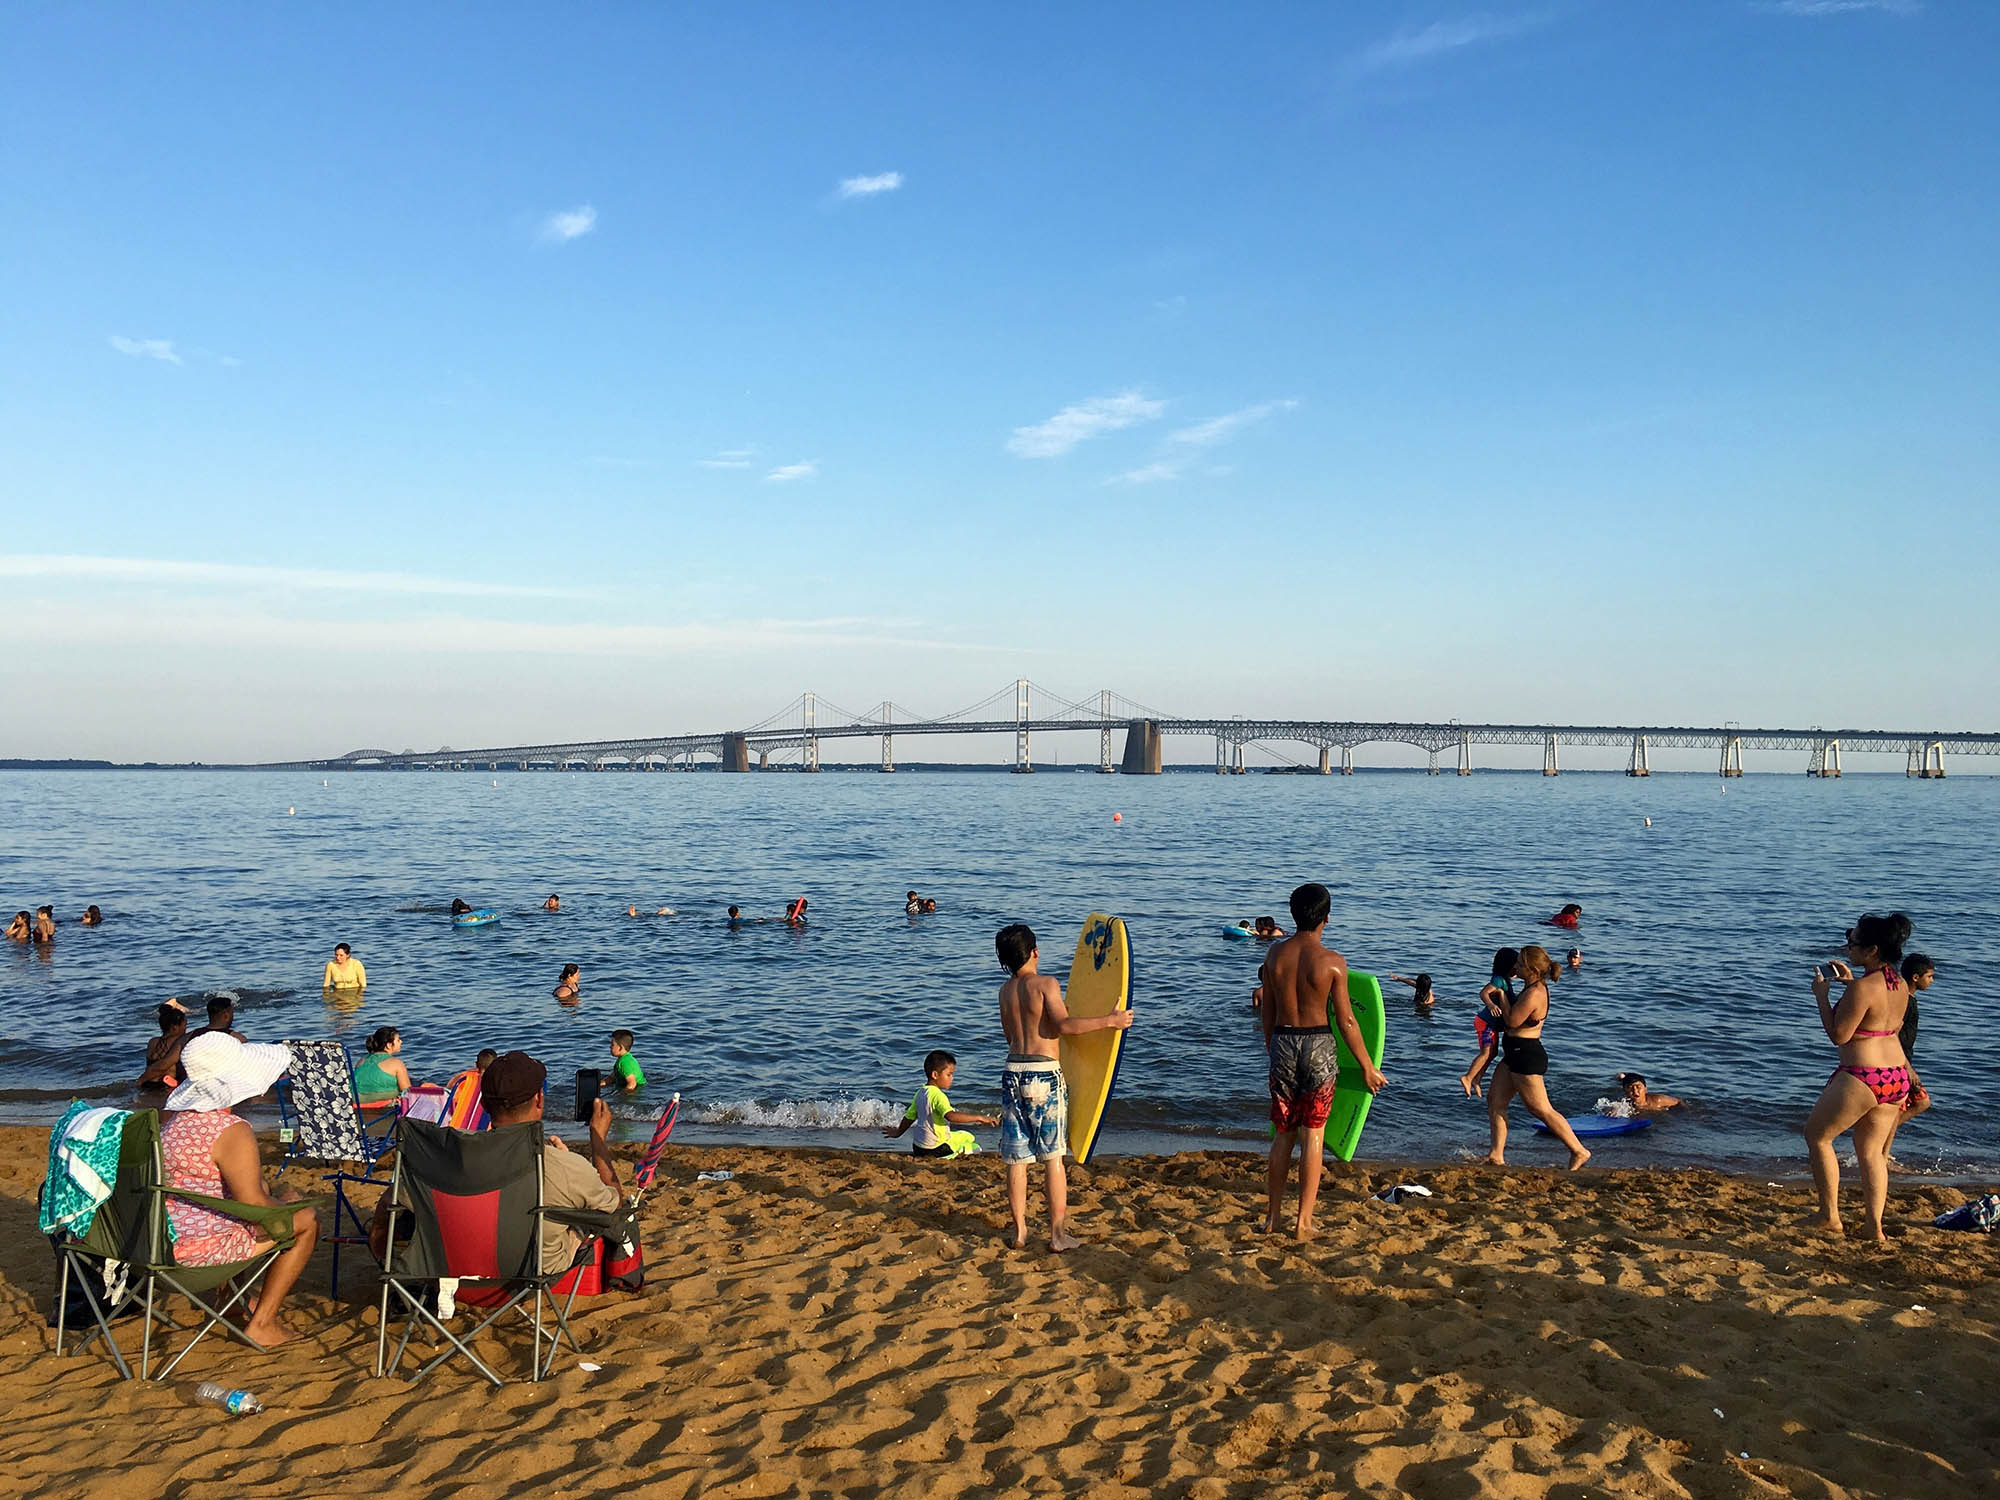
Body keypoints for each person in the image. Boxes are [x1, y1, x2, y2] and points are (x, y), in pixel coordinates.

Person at [160, 1033, 319, 1348]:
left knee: (265, 1191)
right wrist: (291, 1209)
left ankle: (230, 1302)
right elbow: (253, 1206)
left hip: (165, 1239)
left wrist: (276, 1200)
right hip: (197, 1252)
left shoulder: (175, 1122)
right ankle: (262, 1324)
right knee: (308, 1220)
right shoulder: (231, 1131)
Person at [994, 922, 1134, 1251]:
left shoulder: (1004, 991)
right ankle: (1057, 1235)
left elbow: (1010, 1036)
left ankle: (1020, 1233)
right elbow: (1063, 1026)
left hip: (1012, 1071)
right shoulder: (1046, 984)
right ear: (1034, 952)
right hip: (1043, 1075)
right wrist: (1110, 1021)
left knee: (1017, 1160)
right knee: (1053, 1158)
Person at [1259, 883, 1387, 1241]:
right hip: (1318, 1045)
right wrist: (1367, 1066)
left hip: (1283, 1041)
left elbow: (1268, 1010)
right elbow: (1347, 1021)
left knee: (1283, 1133)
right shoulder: (1333, 962)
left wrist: (1272, 1046)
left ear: (1293, 914)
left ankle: (1272, 1219)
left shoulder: (1274, 956)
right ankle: (1303, 1222)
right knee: (1313, 1133)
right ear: (1326, 918)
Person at [1803, 913, 1915, 1242]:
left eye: (1853, 942)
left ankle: (1829, 1217)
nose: (1848, 947)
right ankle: (1873, 1228)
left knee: (1818, 1137)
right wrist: (1851, 984)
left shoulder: (1863, 989)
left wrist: (1822, 997)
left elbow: (1839, 1035)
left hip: (1864, 1075)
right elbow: (1880, 1018)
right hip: (1896, 1076)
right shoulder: (1899, 983)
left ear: (1872, 950)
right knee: (1872, 1153)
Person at [480, 1050, 622, 1273]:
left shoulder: (454, 1157)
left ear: (483, 1104)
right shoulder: (565, 1167)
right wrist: (597, 1140)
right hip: (531, 1272)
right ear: (539, 1099)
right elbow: (614, 1205)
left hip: (461, 1270)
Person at [1484, 946, 1592, 1171]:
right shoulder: (1528, 987)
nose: (1516, 968)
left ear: (1532, 969)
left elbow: (1512, 1021)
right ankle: (1496, 1155)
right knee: (1495, 1101)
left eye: (1520, 964)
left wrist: (1501, 996)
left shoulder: (1535, 993)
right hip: (1513, 1054)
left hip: (1526, 1056)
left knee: (1540, 1108)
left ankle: (1579, 1150)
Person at [883, 1050, 997, 1157]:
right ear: (935, 1075)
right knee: (975, 1147)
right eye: (949, 1074)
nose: (952, 1078)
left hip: (918, 1147)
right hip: (937, 1148)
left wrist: (898, 1133)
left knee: (966, 1135)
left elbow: (909, 1118)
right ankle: (952, 1154)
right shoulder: (938, 1095)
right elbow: (951, 1116)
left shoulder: (920, 1093)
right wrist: (980, 1118)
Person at [1887, 954, 1937, 1157]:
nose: (1932, 981)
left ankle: (1880, 1144)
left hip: (1902, 1059)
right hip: (1899, 1062)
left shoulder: (1908, 999)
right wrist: (1907, 1067)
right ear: (1916, 977)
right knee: (1916, 1103)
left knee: (1918, 1103)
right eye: (1929, 976)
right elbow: (1893, 1034)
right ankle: (1882, 1153)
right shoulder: (1905, 1001)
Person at [1458, 948, 1519, 1099]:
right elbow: (1484, 993)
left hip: (1491, 1024)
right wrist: (1491, 1005)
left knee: (1493, 1053)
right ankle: (1468, 1077)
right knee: (1486, 1052)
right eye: (1516, 965)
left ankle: (1477, 1079)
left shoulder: (1506, 980)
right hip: (1486, 1023)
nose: (1518, 968)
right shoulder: (1498, 980)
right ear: (1508, 965)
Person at [354, 1026, 413, 1111]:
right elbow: (407, 1093)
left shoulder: (362, 1060)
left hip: (356, 1106)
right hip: (383, 1107)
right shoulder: (397, 1063)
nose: (401, 1041)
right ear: (389, 1045)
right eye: (398, 1040)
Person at [138, 1001, 191, 1090]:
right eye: (185, 1025)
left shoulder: (152, 1042)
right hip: (167, 1086)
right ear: (174, 1027)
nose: (186, 1028)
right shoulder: (181, 1041)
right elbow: (163, 1065)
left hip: (148, 1084)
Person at [1617, 1073, 1681, 1112]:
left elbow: (1679, 1101)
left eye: (1638, 1087)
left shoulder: (1658, 1100)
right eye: (1630, 1088)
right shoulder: (1624, 1105)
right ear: (1624, 1090)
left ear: (1645, 1089)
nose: (1635, 1091)